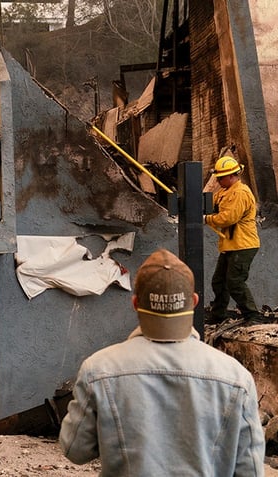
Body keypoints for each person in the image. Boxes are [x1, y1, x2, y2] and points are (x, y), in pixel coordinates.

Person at [59, 248, 265, 476]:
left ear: (136, 303)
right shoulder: (236, 377)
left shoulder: (99, 369)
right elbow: (251, 471)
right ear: (194, 301)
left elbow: (74, 449)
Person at [203, 155, 263, 324]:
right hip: (230, 245)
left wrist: (206, 219)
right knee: (219, 281)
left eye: (220, 177)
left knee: (235, 282)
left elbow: (228, 218)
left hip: (243, 245)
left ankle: (253, 316)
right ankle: (218, 315)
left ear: (232, 176)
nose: (218, 181)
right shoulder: (224, 192)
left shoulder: (241, 193)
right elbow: (211, 203)